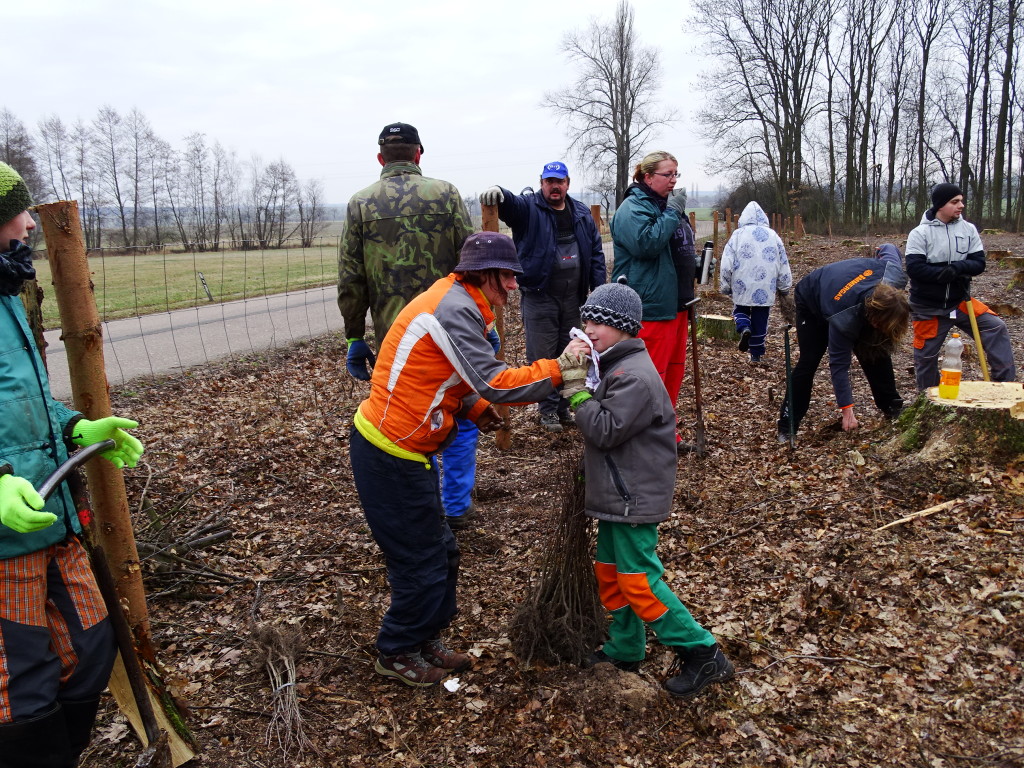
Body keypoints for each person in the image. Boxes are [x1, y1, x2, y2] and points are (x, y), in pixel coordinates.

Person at [348, 232, 588, 688]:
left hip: (408, 452)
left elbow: (444, 374)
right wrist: (559, 369)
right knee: (420, 561)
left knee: (443, 552)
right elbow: (495, 381)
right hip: (388, 454)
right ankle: (396, 650)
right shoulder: (453, 309)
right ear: (482, 273)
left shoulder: (462, 302)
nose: (514, 286)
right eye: (507, 276)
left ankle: (424, 637)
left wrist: (474, 409)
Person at [0, 162, 145, 767]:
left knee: (88, 649)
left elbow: (20, 399)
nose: (30, 223)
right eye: (16, 212)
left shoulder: (6, 293)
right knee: (20, 691)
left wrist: (74, 427)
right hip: (4, 541)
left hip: (49, 514)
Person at [562, 283, 733, 700]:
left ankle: (702, 652)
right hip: (616, 493)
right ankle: (625, 647)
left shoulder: (634, 376)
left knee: (638, 579)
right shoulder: (615, 366)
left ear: (624, 327)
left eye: (599, 321)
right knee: (609, 573)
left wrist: (575, 390)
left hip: (633, 497)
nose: (589, 328)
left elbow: (604, 430)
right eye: (586, 320)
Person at [337, 121, 485, 529]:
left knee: (408, 415)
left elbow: (351, 279)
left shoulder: (360, 204)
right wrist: (482, 320)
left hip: (396, 337)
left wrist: (354, 336)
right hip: (452, 328)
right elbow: (472, 262)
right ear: (419, 154)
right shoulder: (447, 194)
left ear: (380, 158)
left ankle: (423, 504)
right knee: (459, 406)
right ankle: (456, 505)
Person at [478, 161, 606, 432]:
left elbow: (595, 252)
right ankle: (547, 410)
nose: (554, 186)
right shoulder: (529, 209)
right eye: (549, 181)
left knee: (571, 351)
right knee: (543, 354)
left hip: (573, 298)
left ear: (567, 184)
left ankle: (563, 408)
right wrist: (500, 192)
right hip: (540, 296)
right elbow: (511, 205)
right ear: (541, 183)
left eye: (559, 181)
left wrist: (598, 289)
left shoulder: (581, 213)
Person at [608, 151, 698, 450]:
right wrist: (672, 213)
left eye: (676, 174)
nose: (673, 180)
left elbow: (674, 247)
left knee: (672, 372)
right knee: (651, 375)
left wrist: (695, 263)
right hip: (649, 307)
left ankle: (664, 431)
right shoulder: (633, 208)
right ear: (647, 177)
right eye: (667, 174)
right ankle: (641, 437)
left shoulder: (666, 206)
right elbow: (646, 244)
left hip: (677, 303)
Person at [777, 244, 910, 442]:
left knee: (876, 350)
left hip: (844, 292)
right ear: (873, 319)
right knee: (809, 361)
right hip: (812, 299)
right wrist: (847, 411)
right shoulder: (846, 318)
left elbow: (889, 249)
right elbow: (839, 365)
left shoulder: (893, 275)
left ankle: (891, 405)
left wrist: (882, 248)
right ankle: (787, 425)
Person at [905, 182, 1017, 391]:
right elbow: (914, 269)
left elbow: (978, 263)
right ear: (940, 205)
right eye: (955, 202)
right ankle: (928, 398)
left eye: (961, 201)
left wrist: (957, 268)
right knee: (926, 357)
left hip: (960, 302)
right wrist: (942, 275)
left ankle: (1006, 388)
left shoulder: (968, 229)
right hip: (928, 307)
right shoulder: (920, 233)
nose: (961, 205)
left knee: (995, 327)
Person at [719, 201, 793, 364]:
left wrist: (725, 285)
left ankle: (744, 327)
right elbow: (783, 262)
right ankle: (756, 355)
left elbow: (726, 263)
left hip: (742, 283)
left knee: (740, 310)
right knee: (761, 318)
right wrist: (784, 286)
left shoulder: (737, 235)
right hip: (766, 284)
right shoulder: (773, 236)